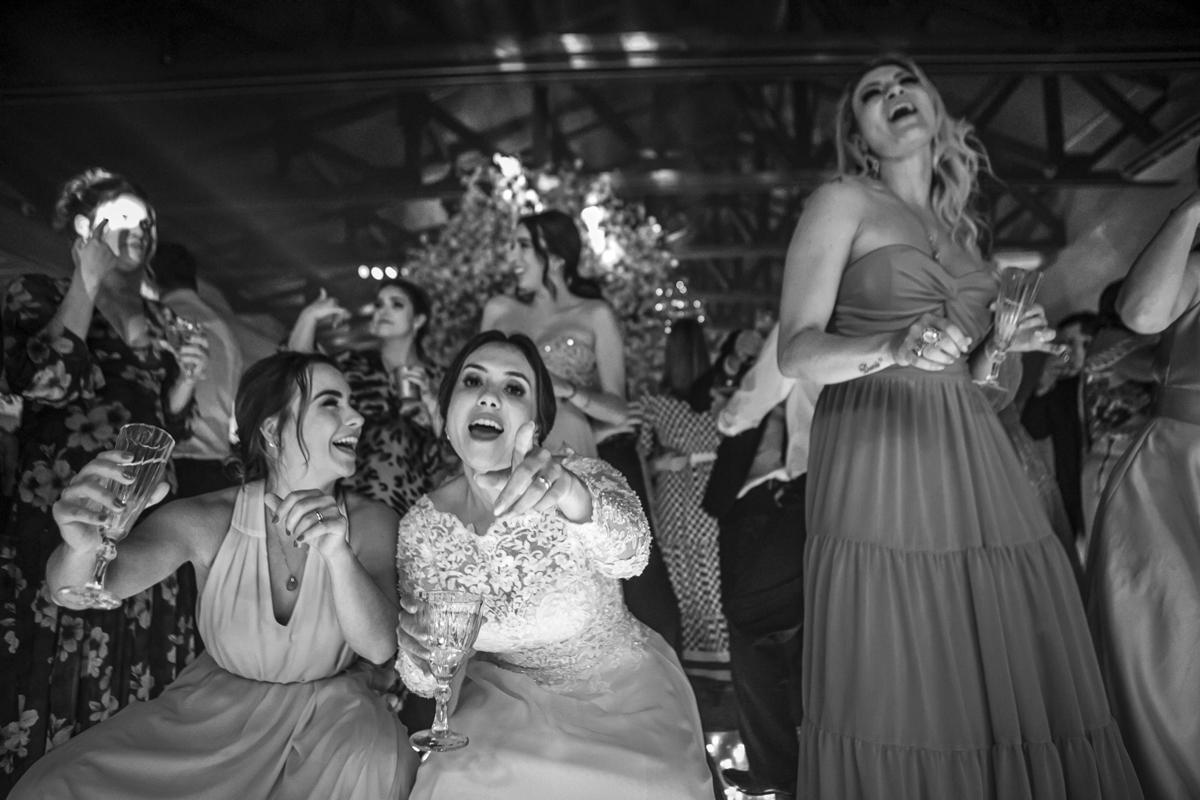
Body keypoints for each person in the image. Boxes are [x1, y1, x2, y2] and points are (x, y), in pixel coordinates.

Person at [777, 57, 1142, 798]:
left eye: (905, 81)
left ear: (934, 106)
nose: (893, 93)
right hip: (877, 444)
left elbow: (987, 389)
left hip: (971, 448)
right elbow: (796, 351)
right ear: (860, 134)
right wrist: (891, 345)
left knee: (998, 628)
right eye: (873, 92)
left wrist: (1002, 346)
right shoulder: (842, 201)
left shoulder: (967, 238)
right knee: (902, 638)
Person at [10, 351, 419, 799]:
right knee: (56, 788)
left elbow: (379, 647)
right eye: (331, 403)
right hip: (212, 722)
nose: (356, 417)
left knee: (373, 760)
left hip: (331, 724)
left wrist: (338, 555)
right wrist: (80, 546)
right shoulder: (208, 517)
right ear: (271, 430)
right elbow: (72, 590)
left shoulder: (372, 521)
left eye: (351, 402)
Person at [394, 330, 714, 800]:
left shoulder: (582, 480)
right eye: (473, 381)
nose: (489, 396)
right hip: (498, 710)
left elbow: (631, 554)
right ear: (445, 415)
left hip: (619, 700)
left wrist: (571, 495)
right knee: (447, 785)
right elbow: (433, 676)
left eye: (513, 388)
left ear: (537, 425)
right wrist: (420, 654)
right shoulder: (422, 527)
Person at [0, 169, 209, 788]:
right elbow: (43, 380)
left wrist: (185, 382)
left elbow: (171, 422)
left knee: (137, 645)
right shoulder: (37, 293)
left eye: (147, 222)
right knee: (50, 641)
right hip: (58, 497)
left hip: (144, 508)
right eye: (122, 218)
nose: (139, 230)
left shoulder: (165, 320)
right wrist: (85, 282)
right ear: (85, 229)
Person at [482, 209, 681, 651]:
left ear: (554, 256)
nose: (511, 255)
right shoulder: (498, 311)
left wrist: (567, 388)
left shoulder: (595, 314)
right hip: (507, 445)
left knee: (578, 573)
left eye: (522, 245)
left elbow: (619, 409)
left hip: (571, 443)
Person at [1087, 158, 1200, 800]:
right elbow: (1140, 314)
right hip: (1174, 480)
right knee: (1166, 653)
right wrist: (1193, 207)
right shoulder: (1196, 270)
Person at [702, 323, 821, 799]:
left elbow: (756, 394)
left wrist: (733, 414)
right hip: (794, 490)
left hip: (778, 493)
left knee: (755, 627)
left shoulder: (806, 316)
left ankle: (783, 771)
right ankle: (779, 764)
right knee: (784, 629)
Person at [288, 278, 445, 517]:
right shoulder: (353, 364)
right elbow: (297, 375)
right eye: (379, 304)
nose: (383, 311)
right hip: (354, 500)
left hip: (416, 505)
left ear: (418, 320)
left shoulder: (438, 379)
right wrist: (309, 317)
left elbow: (454, 449)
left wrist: (433, 407)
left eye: (396, 304)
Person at [635, 318, 727, 672]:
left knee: (681, 573)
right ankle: (721, 653)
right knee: (714, 570)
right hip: (711, 489)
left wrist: (662, 463)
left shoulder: (655, 402)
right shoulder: (719, 397)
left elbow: (641, 455)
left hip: (674, 493)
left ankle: (690, 655)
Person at [153, 242, 244, 497]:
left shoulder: (165, 321)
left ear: (151, 278)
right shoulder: (225, 331)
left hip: (180, 465)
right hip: (218, 467)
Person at [1078, 281, 1156, 552]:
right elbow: (1155, 369)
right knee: (1121, 556)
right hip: (1113, 459)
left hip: (1140, 459)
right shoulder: (1106, 340)